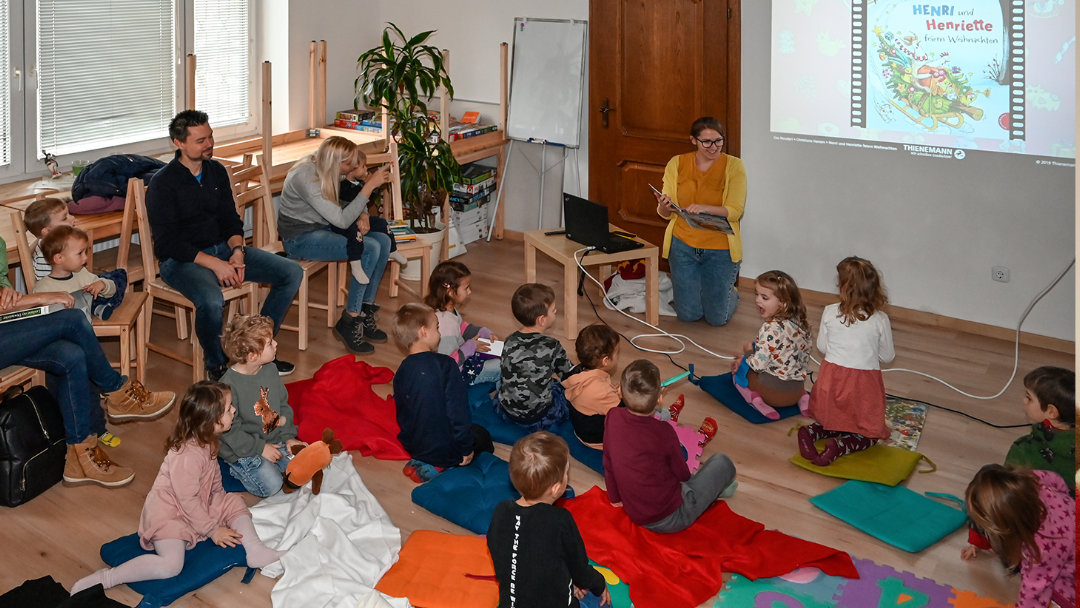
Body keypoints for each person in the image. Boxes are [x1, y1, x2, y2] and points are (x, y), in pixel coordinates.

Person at [70, 382, 284, 595]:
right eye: (228, 409)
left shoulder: (208, 440)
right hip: (170, 514)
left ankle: (254, 550)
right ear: (210, 421)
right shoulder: (187, 455)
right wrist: (213, 529)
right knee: (170, 566)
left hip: (195, 504)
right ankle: (108, 577)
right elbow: (186, 500)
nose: (234, 410)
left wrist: (221, 500)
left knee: (233, 500)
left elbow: (214, 480)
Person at [0, 236, 175, 485]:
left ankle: (79, 458)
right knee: (72, 319)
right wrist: (40, 298)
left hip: (8, 326)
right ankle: (118, 392)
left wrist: (7, 292)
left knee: (72, 355)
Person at [146, 109, 303, 380]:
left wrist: (238, 251)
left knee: (291, 272)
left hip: (222, 249)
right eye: (200, 140)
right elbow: (168, 243)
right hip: (182, 261)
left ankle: (258, 349)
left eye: (211, 137)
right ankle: (217, 367)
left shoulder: (216, 171)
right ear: (179, 143)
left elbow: (231, 219)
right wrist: (215, 264)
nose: (209, 144)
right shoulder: (163, 183)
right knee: (210, 299)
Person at [277, 136, 393, 355]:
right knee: (370, 247)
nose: (352, 168)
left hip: (324, 225)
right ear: (336, 162)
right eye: (348, 164)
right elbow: (340, 219)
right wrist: (368, 188)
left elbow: (343, 201)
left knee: (384, 240)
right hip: (300, 238)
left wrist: (364, 212)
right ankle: (350, 319)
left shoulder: (327, 168)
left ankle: (366, 308)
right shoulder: (306, 177)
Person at [603, 360, 736, 533]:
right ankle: (713, 490)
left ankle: (711, 489)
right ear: (659, 399)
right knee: (722, 462)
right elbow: (683, 475)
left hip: (633, 511)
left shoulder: (612, 416)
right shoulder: (663, 431)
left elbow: (608, 460)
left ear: (620, 391)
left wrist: (615, 498)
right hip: (671, 517)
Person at [487, 431, 610, 608]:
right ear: (557, 488)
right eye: (566, 474)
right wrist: (599, 584)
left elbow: (516, 560)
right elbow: (580, 569)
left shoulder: (501, 511)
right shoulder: (560, 520)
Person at [798, 257, 894, 466]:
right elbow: (888, 356)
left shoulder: (829, 311)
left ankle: (809, 433)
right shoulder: (880, 319)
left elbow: (823, 347)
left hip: (831, 381)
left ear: (843, 288)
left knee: (834, 420)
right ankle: (840, 446)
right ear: (874, 289)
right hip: (861, 386)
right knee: (870, 435)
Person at [652, 116, 746, 326]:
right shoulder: (676, 163)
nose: (714, 147)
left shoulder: (734, 166)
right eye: (707, 142)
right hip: (683, 246)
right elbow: (665, 213)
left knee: (716, 319)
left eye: (719, 141)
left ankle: (731, 293)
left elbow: (736, 211)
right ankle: (709, 291)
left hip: (720, 249)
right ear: (693, 140)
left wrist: (705, 208)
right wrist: (664, 206)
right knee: (688, 315)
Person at [391, 303, 493, 483]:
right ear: (423, 332)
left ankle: (421, 459)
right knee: (482, 436)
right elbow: (458, 413)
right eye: (437, 328)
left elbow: (403, 411)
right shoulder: (446, 365)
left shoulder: (402, 369)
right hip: (443, 448)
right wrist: (465, 449)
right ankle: (439, 465)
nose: (439, 333)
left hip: (413, 444)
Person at [961, 465, 1074, 608]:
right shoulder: (1032, 480)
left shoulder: (1039, 551)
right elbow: (1059, 482)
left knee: (1055, 589)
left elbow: (1033, 597)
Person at [218, 315, 305, 497]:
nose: (276, 344)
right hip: (243, 449)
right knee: (272, 486)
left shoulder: (271, 370)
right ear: (253, 355)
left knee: (305, 467)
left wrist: (289, 437)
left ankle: (277, 459)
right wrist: (260, 449)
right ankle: (238, 468)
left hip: (274, 440)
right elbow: (230, 431)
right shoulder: (229, 386)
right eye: (270, 343)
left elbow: (283, 404)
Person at [730, 270, 811, 419]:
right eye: (757, 294)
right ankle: (803, 397)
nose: (757, 300)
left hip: (773, 395)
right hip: (796, 390)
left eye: (764, 297)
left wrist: (748, 352)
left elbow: (758, 366)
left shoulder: (769, 329)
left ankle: (754, 399)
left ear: (783, 303)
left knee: (737, 376)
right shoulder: (800, 322)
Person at [498, 283, 574, 430]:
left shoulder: (509, 340)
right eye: (553, 310)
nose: (556, 311)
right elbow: (569, 375)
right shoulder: (552, 345)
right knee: (563, 392)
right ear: (541, 320)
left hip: (507, 412)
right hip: (539, 417)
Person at [424, 260, 500, 385]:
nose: (469, 291)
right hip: (457, 374)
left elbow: (461, 327)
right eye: (466, 288)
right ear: (450, 292)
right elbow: (448, 363)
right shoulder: (444, 324)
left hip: (463, 356)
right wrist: (471, 347)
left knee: (496, 357)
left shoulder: (448, 309)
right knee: (501, 366)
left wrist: (482, 332)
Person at [1005, 366, 1075, 492]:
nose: (1024, 400)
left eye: (1029, 398)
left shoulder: (1023, 450)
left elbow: (1007, 491)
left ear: (1051, 412)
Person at [34, 225, 126, 321]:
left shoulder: (82, 274)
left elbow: (112, 290)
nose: (86, 258)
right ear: (59, 258)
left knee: (118, 276)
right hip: (67, 330)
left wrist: (102, 285)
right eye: (80, 253)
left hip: (85, 323)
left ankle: (98, 307)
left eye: (85, 252)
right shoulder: (42, 288)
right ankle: (97, 308)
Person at [562, 324, 622, 448]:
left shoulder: (578, 371)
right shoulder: (600, 390)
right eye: (616, 353)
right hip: (596, 438)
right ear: (605, 360)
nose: (617, 357)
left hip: (581, 427)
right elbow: (621, 414)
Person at [23, 196, 76, 280]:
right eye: (64, 218)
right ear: (47, 232)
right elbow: (50, 287)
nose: (73, 218)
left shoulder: (57, 243)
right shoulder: (46, 256)